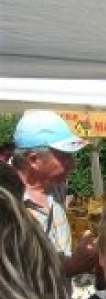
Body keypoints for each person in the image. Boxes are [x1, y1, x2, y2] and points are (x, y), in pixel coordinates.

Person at [11, 109, 98, 284]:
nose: (73, 165)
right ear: (34, 160)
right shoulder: (8, 202)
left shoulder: (55, 185)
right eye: (65, 156)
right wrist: (69, 267)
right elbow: (13, 275)